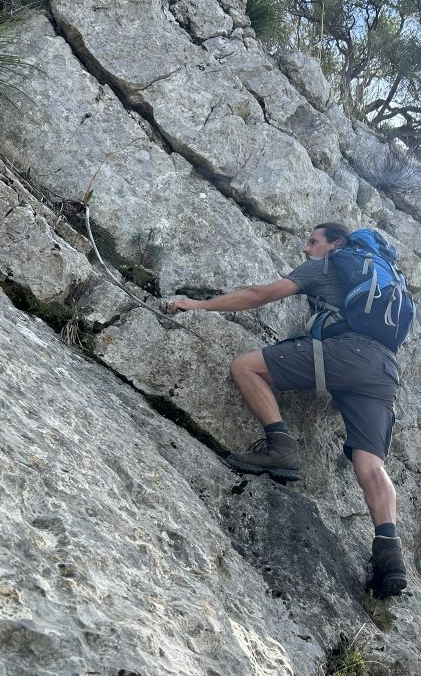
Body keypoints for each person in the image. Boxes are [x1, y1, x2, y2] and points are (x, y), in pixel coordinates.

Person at [168, 223, 406, 597]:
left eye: (313, 242)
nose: (305, 249)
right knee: (371, 464)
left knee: (245, 366)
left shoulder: (327, 265)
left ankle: (280, 446)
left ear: (335, 244)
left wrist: (199, 304)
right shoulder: (380, 281)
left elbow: (260, 295)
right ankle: (389, 549)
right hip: (385, 370)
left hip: (348, 354)